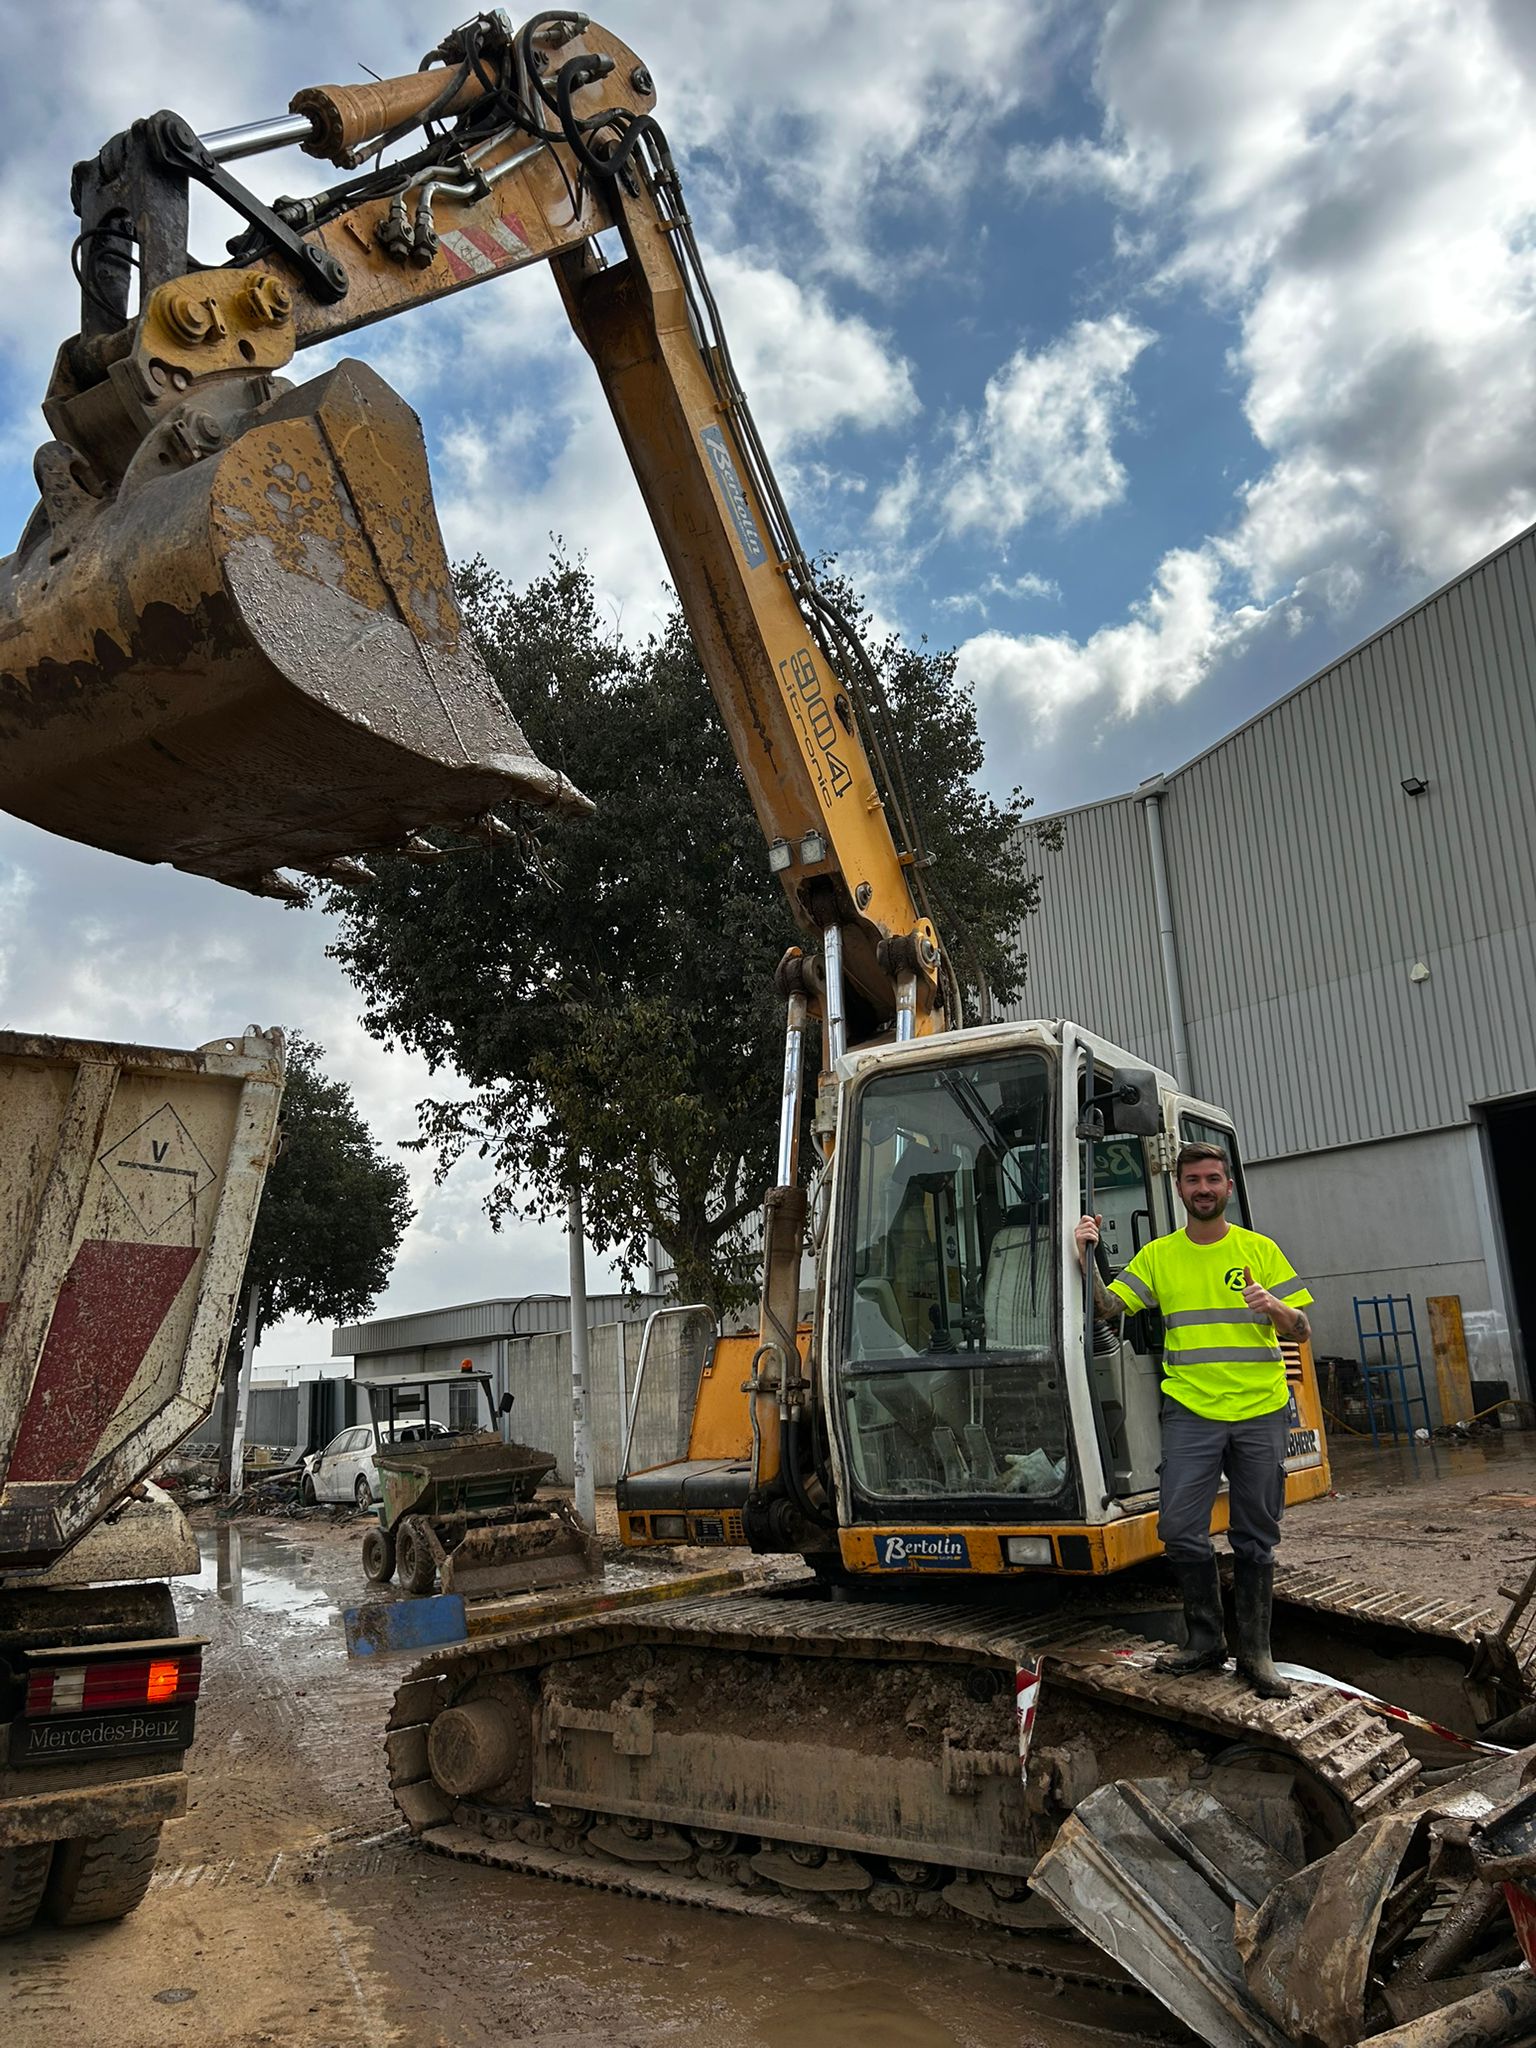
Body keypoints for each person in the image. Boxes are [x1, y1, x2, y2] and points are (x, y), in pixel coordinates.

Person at [1074, 1142, 1313, 1699]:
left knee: (1255, 1538)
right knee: (1179, 1529)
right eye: (1193, 1181)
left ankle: (1256, 1654)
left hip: (1259, 1411)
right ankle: (1206, 1641)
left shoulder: (1261, 1250)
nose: (1203, 1188)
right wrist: (1087, 1256)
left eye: (1212, 1179)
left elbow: (1300, 1328)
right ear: (1178, 1190)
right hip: (1191, 1411)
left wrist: (1274, 1308)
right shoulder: (1160, 1256)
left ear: (1227, 1187)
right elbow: (1110, 1309)